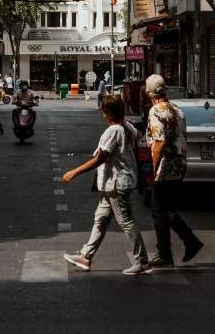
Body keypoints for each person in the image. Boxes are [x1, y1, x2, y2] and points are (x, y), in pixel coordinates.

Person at [63, 94, 151, 275]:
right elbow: (139, 134)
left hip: (116, 184)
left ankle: (142, 261)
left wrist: (75, 171)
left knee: (126, 222)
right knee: (101, 219)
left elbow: (101, 158)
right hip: (113, 183)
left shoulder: (113, 131)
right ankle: (85, 256)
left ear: (106, 113)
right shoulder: (125, 126)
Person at [146, 74, 204, 267]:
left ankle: (166, 253)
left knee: (158, 208)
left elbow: (160, 143)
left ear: (149, 93)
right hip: (179, 164)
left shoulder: (156, 111)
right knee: (165, 207)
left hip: (165, 166)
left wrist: (152, 170)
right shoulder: (178, 110)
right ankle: (189, 242)